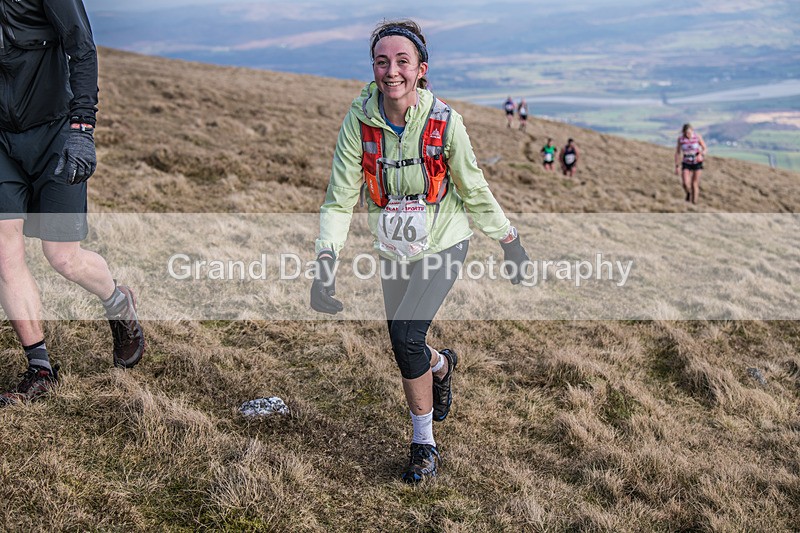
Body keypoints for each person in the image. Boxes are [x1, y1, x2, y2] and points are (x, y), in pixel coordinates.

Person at [310, 19, 530, 483]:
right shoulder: (359, 121)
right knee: (403, 343)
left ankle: (423, 446)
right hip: (393, 248)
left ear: (421, 69)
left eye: (402, 62)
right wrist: (325, 261)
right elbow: (339, 197)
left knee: (407, 337)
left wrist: (509, 241)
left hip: (445, 241)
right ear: (373, 68)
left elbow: (474, 188)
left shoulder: (445, 122)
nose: (391, 71)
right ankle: (442, 364)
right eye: (382, 61)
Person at [0, 0, 145, 406]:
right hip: (2, 142)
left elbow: (81, 47)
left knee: (63, 257)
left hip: (55, 133)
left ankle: (118, 301)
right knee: (4, 253)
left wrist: (82, 128)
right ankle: (41, 369)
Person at [675, 123, 707, 204]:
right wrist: (677, 166)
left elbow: (705, 148)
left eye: (689, 133)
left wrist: (701, 154)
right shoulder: (680, 139)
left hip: (697, 162)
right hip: (686, 162)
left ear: (692, 131)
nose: (687, 135)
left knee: (694, 183)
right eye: (686, 133)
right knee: (685, 183)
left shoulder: (697, 137)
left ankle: (694, 202)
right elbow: (678, 152)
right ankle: (688, 193)